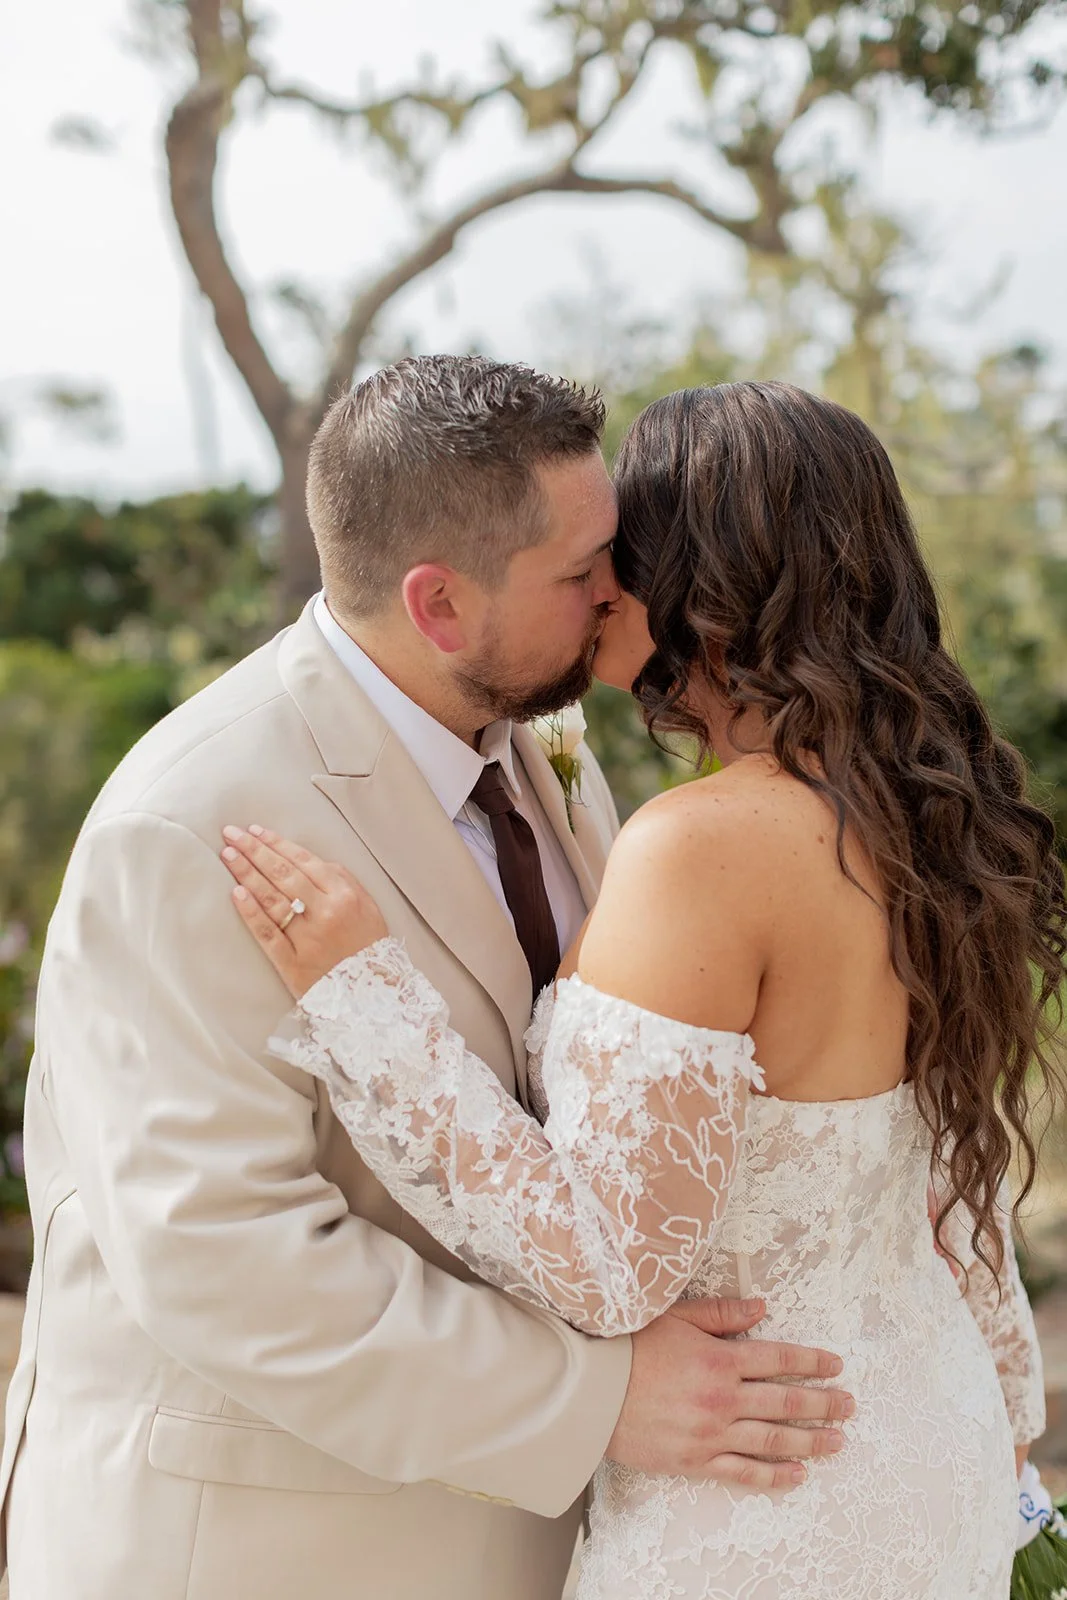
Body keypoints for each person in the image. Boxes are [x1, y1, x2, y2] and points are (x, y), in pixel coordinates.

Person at [0, 360, 852, 1600]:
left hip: (508, 1541)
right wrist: (599, 1396)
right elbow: (224, 1256)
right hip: (264, 1553)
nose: (625, 593)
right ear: (439, 604)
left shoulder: (549, 749)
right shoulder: (189, 827)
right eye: (580, 573)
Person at [222, 380, 1062, 1598]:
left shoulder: (701, 847)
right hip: (924, 1443)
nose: (598, 583)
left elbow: (609, 1268)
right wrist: (1008, 1414)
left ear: (706, 591)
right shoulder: (923, 819)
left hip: (762, 1498)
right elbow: (944, 1190)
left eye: (621, 548)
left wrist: (365, 1003)